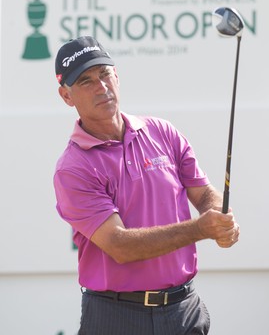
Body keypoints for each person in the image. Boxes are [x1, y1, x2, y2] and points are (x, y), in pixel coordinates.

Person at [53, 36, 240, 335]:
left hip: (184, 309)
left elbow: (204, 193)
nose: (101, 87)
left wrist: (218, 215)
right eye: (86, 81)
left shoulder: (162, 132)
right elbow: (120, 245)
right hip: (117, 316)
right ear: (66, 96)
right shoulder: (73, 168)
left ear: (117, 76)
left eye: (104, 74)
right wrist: (201, 229)